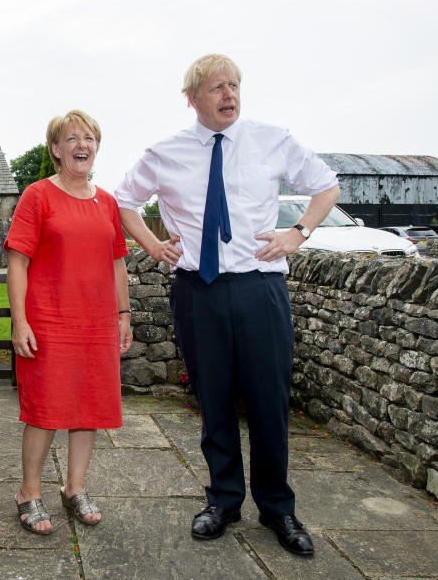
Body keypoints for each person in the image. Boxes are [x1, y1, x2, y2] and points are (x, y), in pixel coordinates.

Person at [115, 54, 339, 556]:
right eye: (217, 87)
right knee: (213, 400)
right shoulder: (165, 152)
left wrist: (298, 232)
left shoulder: (271, 139)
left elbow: (327, 185)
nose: (229, 95)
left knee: (268, 401)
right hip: (199, 291)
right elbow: (122, 200)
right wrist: (152, 246)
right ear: (192, 98)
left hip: (260, 288)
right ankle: (223, 499)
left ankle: (278, 508)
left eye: (234, 85)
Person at [4, 110, 132, 535]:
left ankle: (74, 487)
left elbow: (117, 264)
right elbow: (17, 262)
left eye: (90, 137)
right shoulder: (37, 196)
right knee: (44, 410)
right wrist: (19, 321)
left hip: (96, 324)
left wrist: (123, 316)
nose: (83, 144)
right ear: (56, 150)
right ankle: (29, 490)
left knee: (89, 407)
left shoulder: (108, 203)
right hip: (50, 323)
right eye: (72, 138)